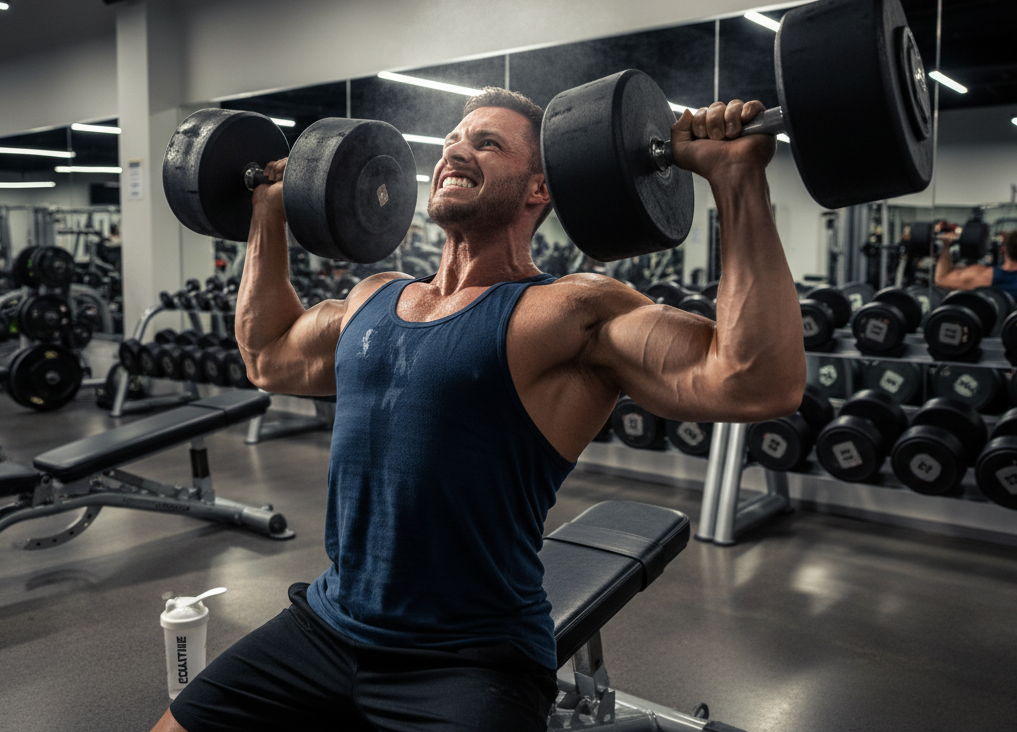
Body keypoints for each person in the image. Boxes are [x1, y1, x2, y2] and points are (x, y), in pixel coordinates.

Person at [151, 88, 804, 732]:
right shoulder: (372, 296)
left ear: (537, 190)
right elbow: (267, 354)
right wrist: (267, 210)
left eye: (487, 143)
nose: (456, 151)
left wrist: (736, 178)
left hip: (468, 661)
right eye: (453, 141)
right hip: (327, 624)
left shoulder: (570, 313)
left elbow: (755, 381)